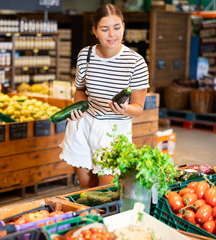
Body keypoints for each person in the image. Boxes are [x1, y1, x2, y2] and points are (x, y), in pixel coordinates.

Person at [59, 4, 150, 189]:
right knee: (86, 191)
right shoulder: (86, 55)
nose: (112, 34)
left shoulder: (136, 62)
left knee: (106, 192)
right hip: (83, 126)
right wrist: (78, 107)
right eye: (105, 29)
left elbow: (138, 109)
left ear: (123, 27)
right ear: (95, 31)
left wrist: (125, 109)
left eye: (117, 28)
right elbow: (80, 90)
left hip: (113, 131)